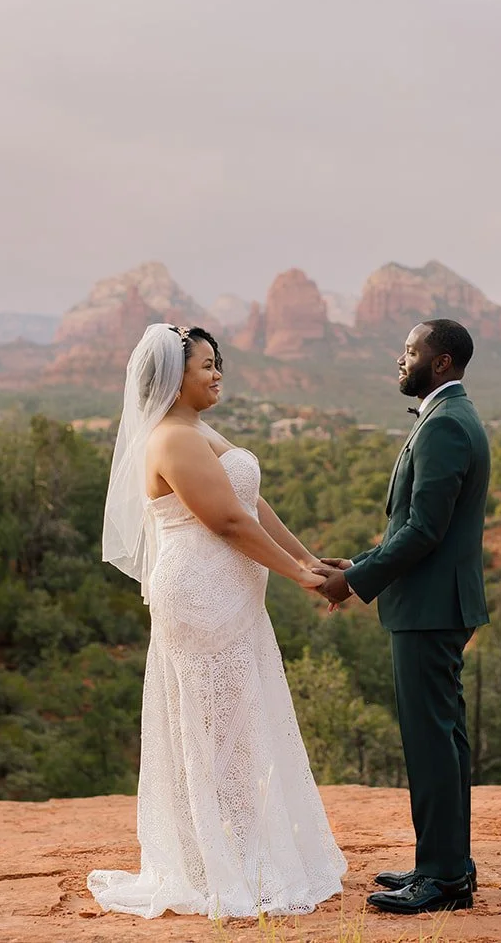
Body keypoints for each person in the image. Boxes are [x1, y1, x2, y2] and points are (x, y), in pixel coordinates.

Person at [86, 323, 346, 919]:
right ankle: (226, 864)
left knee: (239, 726)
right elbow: (226, 524)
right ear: (176, 378)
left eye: (217, 362)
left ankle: (242, 853)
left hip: (232, 596)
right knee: (218, 733)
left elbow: (251, 504)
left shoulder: (196, 428)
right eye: (207, 365)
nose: (218, 372)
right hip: (200, 597)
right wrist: (297, 577)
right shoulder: (172, 439)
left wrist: (307, 558)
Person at [313, 318, 490, 914]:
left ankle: (439, 878)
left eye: (410, 351)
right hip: (433, 605)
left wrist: (354, 582)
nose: (400, 359)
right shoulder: (447, 418)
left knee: (430, 742)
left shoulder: (444, 427)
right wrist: (359, 561)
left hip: (428, 611)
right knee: (445, 740)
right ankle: (448, 865)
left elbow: (423, 530)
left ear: (439, 363)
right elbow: (413, 529)